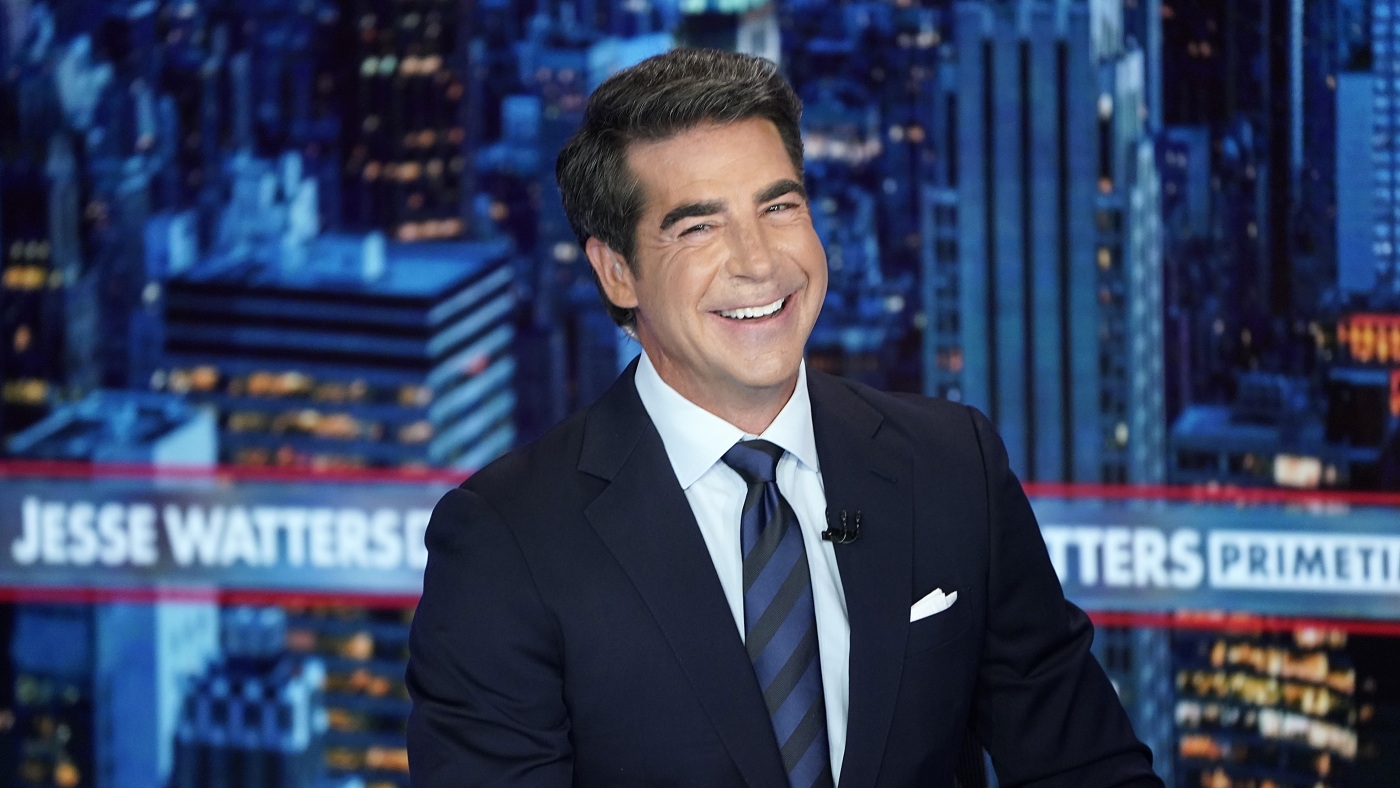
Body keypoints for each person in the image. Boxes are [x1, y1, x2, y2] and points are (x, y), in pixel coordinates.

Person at [406, 48, 1163, 788]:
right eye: (699, 228)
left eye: (779, 207)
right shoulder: (506, 543)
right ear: (617, 272)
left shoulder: (952, 465)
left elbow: (1088, 767)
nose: (760, 261)